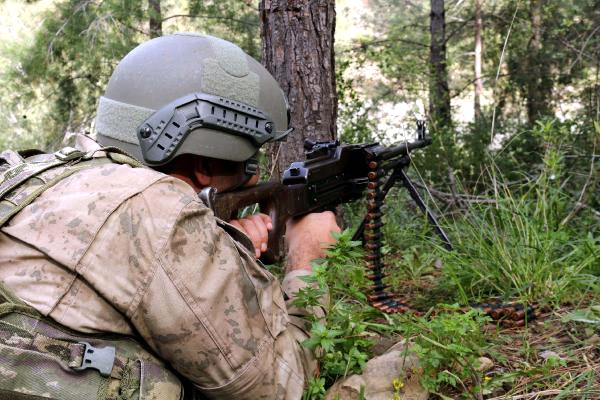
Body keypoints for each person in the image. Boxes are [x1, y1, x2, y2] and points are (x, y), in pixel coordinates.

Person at [0, 33, 340, 399]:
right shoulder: (160, 214)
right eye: (250, 159)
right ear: (206, 163)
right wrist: (309, 262)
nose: (255, 176)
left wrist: (218, 248)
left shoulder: (36, 173)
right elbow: (278, 387)